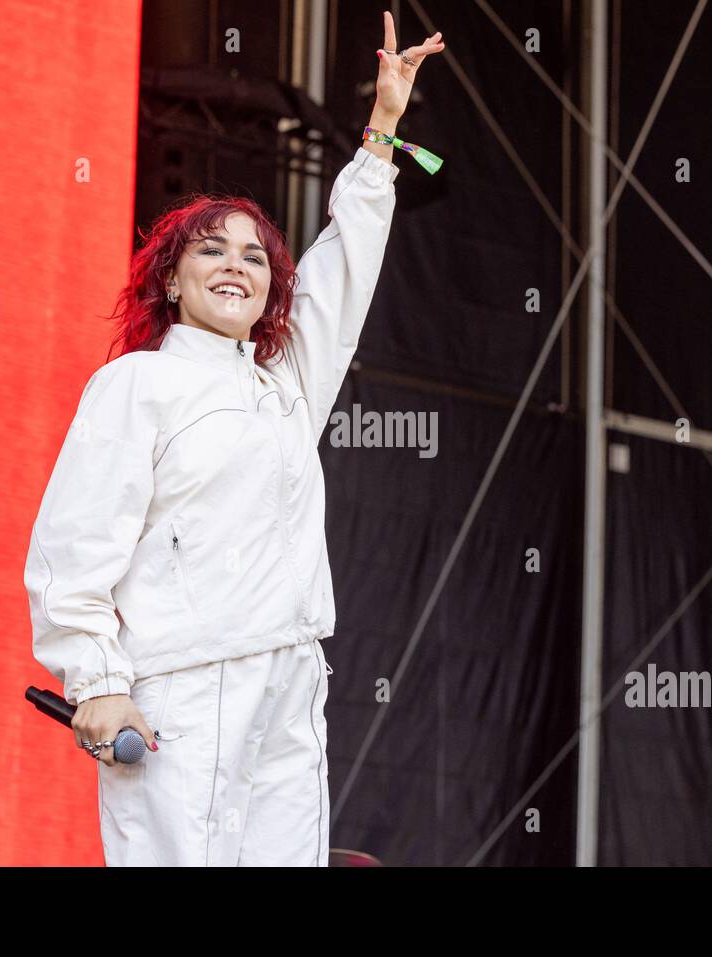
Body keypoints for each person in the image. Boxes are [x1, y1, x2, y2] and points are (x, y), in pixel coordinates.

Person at [23, 12, 444, 866]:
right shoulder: (135, 384)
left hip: (290, 680)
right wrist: (98, 683)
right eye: (210, 250)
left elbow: (346, 266)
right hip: (184, 687)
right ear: (171, 278)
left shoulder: (284, 381)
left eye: (255, 256)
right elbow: (74, 553)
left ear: (270, 288)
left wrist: (382, 133)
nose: (236, 264)